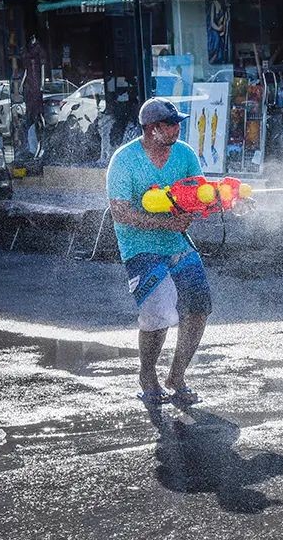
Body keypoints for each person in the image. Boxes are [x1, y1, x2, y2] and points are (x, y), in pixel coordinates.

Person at [106, 98, 212, 406]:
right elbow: (120, 213)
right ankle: (147, 374)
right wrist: (166, 223)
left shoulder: (185, 154)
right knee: (160, 313)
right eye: (172, 124)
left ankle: (177, 375)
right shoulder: (125, 160)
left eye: (178, 122)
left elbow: (199, 195)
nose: (178, 128)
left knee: (199, 308)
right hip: (140, 248)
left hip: (179, 244)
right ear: (153, 129)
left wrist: (227, 202)